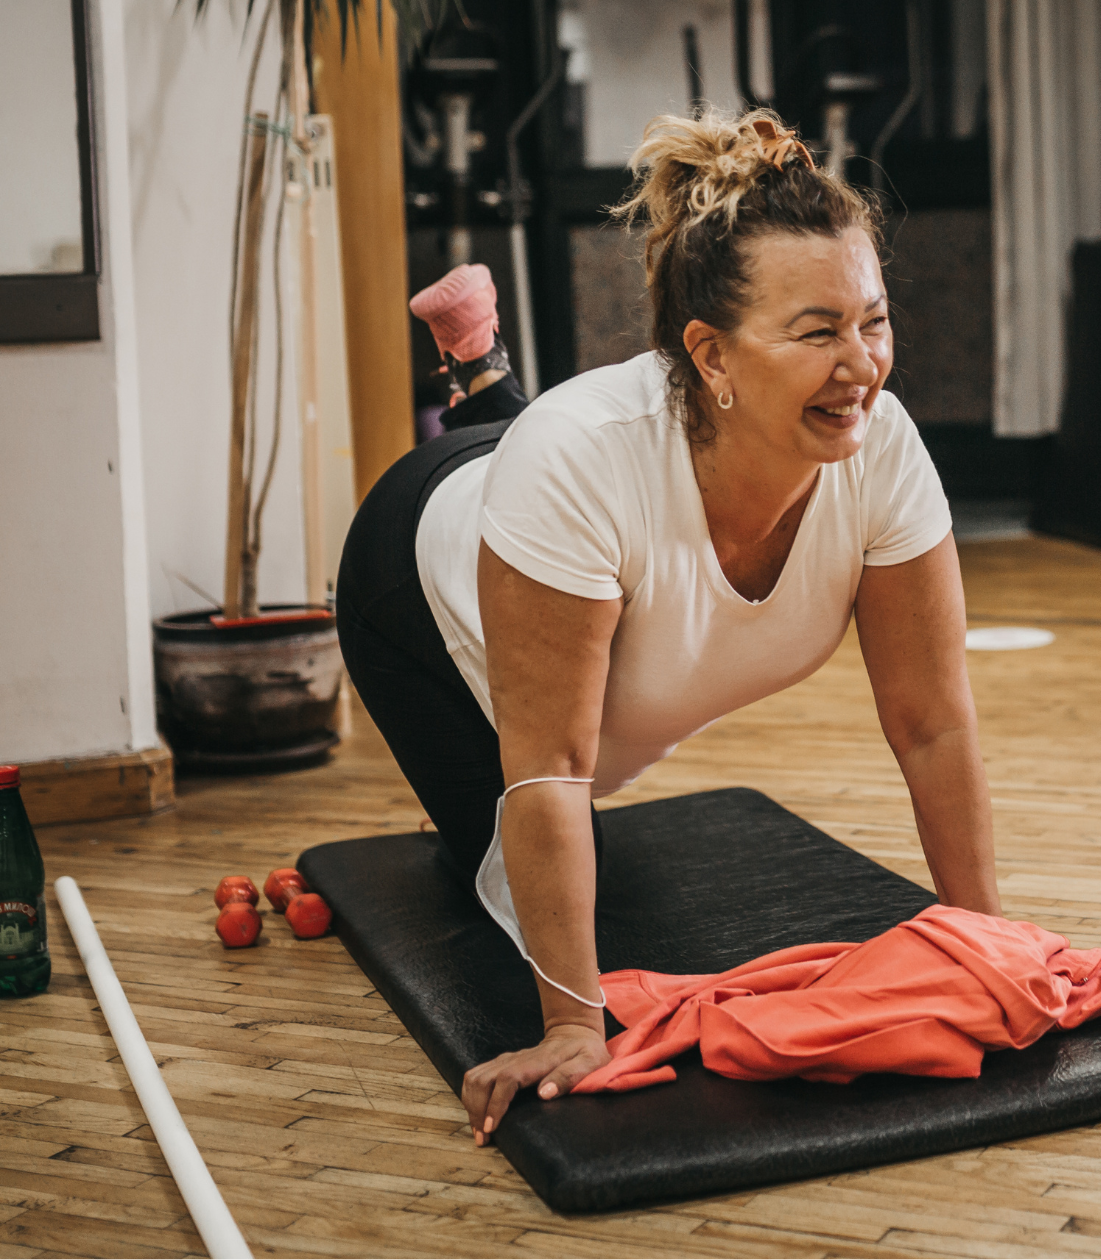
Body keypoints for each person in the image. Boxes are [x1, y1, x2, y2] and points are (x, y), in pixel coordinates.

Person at [335, 109, 1000, 1147]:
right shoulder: (580, 460)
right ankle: (481, 381)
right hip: (411, 574)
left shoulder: (879, 445)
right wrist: (570, 1022)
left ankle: (479, 365)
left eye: (871, 320)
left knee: (549, 461)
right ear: (711, 352)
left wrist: (981, 936)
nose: (861, 364)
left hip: (570, 484)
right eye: (816, 331)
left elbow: (932, 722)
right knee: (510, 843)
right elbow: (548, 767)